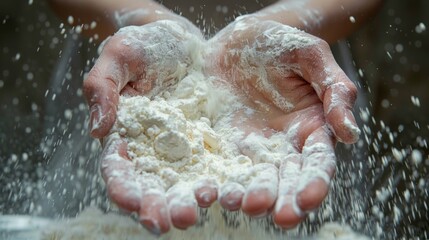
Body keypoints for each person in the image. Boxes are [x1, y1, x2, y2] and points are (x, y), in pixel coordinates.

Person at [48, 0, 383, 234]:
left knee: (300, 211)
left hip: (286, 97)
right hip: (136, 80)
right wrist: (143, 21)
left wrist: (280, 28)